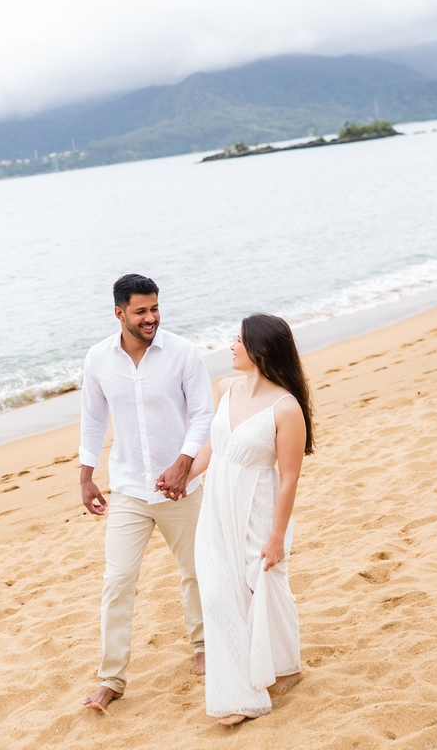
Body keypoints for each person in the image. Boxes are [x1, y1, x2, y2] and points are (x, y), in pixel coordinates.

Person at [79, 273, 215, 711]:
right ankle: (111, 679)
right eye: (140, 311)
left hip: (182, 489)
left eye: (155, 308)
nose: (151, 317)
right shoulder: (98, 359)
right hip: (128, 490)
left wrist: (184, 463)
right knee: (117, 581)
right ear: (119, 313)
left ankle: (204, 645)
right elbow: (93, 418)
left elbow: (203, 414)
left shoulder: (183, 353)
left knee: (196, 571)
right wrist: (86, 475)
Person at [179, 313, 313, 726]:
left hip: (257, 508)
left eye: (238, 340)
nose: (231, 346)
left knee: (263, 589)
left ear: (260, 350)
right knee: (218, 594)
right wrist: (185, 476)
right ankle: (240, 694)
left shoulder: (286, 408)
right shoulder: (227, 388)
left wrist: (277, 537)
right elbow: (217, 445)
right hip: (217, 505)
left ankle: (284, 667)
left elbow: (289, 478)